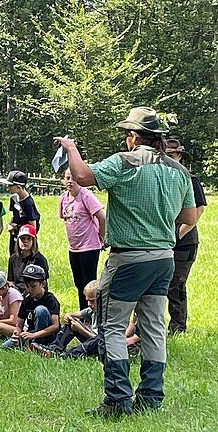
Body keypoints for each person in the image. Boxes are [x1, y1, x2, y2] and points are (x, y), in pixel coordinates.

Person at [55, 106, 196, 416]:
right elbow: (188, 216)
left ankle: (118, 400)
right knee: (154, 328)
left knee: (112, 328)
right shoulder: (179, 171)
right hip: (164, 260)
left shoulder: (125, 162)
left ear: (133, 137)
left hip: (128, 259)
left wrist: (71, 147)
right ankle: (151, 397)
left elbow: (82, 176)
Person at [164, 139, 206, 335]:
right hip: (163, 238)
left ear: (179, 156)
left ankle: (178, 327)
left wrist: (178, 235)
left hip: (184, 242)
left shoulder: (191, 179)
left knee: (176, 284)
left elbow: (198, 210)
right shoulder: (163, 178)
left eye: (172, 156)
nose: (169, 160)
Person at [59, 168, 106, 310]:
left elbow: (102, 216)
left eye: (73, 178)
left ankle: (94, 315)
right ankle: (83, 313)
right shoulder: (63, 198)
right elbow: (64, 218)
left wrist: (102, 236)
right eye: (67, 178)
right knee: (78, 283)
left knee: (89, 284)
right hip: (74, 247)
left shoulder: (86, 195)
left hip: (89, 246)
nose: (70, 181)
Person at [31, 280, 100, 358]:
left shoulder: (108, 314)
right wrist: (68, 316)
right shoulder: (93, 310)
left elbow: (101, 340)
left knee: (97, 340)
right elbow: (74, 314)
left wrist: (80, 330)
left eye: (92, 301)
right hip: (92, 339)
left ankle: (68, 355)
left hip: (99, 344)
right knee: (72, 321)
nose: (89, 304)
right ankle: (55, 348)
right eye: (87, 301)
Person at [3, 264, 60, 350]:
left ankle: (40, 345)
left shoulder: (50, 299)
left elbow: (55, 326)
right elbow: (19, 325)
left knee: (40, 310)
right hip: (31, 334)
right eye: (27, 286)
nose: (29, 289)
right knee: (6, 347)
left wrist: (35, 335)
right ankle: (30, 345)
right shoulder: (26, 300)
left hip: (47, 336)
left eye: (33, 286)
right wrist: (16, 333)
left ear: (43, 284)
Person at [1, 170, 40, 255]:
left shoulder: (28, 203)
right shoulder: (13, 198)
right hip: (14, 235)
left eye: (10, 185)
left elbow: (33, 226)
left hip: (25, 237)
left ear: (18, 187)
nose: (8, 188)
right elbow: (14, 216)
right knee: (13, 257)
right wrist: (10, 225)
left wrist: (21, 231)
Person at [6, 224, 49, 294]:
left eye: (29, 239)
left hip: (33, 292)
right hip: (17, 292)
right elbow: (11, 281)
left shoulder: (40, 259)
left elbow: (43, 284)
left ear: (33, 241)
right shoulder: (13, 258)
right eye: (22, 238)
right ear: (18, 240)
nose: (25, 241)